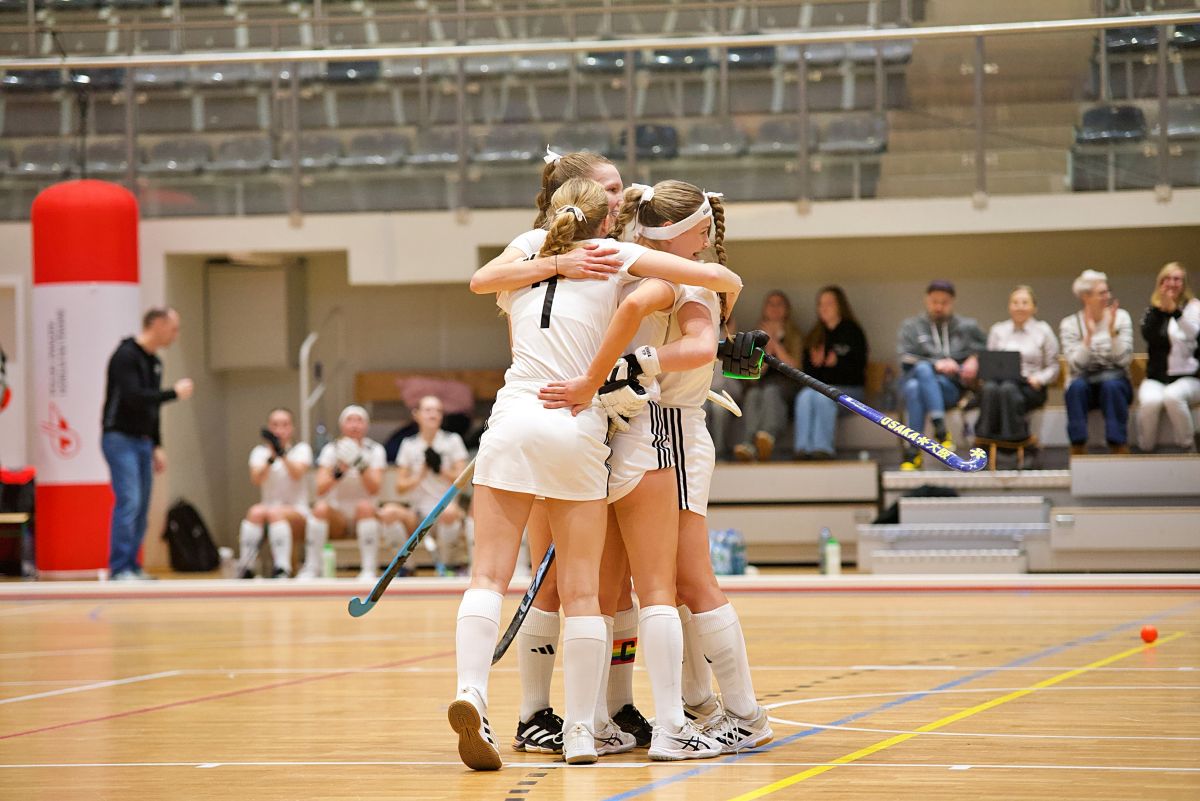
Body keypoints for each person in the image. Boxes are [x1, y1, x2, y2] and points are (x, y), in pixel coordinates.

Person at [457, 177, 742, 770]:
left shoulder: (528, 253)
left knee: (506, 578)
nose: (621, 197)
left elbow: (481, 284)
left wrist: (555, 266)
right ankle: (590, 727)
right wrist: (618, 368)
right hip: (594, 421)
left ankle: (493, 698)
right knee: (598, 591)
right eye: (611, 190)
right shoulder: (614, 255)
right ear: (604, 217)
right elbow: (710, 282)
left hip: (517, 415)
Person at [543, 179, 772, 756]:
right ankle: (653, 712)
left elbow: (697, 346)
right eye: (704, 228)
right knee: (633, 584)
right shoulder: (652, 268)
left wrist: (629, 363)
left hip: (669, 428)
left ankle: (739, 712)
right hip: (627, 425)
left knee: (685, 581)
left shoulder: (682, 277)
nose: (710, 236)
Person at [479, 149, 653, 755]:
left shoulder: (625, 244)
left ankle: (613, 706)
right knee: (554, 579)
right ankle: (534, 712)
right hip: (565, 419)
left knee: (618, 583)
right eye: (610, 188)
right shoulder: (533, 253)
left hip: (623, 423)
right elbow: (511, 325)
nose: (621, 196)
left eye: (621, 186)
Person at [101, 307, 193, 581]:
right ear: (158, 324)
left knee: (142, 507)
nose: (175, 335)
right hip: (120, 438)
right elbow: (134, 397)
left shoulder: (155, 362)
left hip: (142, 441)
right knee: (129, 501)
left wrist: (157, 444)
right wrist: (173, 393)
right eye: (173, 329)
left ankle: (132, 565)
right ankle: (119, 568)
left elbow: (152, 410)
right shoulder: (126, 355)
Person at [301, 405, 411, 580]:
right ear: (342, 425)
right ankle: (312, 567)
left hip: (367, 513)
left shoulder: (375, 450)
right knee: (320, 508)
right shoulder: (331, 450)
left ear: (366, 426)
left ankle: (368, 569)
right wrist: (340, 470)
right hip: (339, 518)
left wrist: (359, 464)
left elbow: (374, 488)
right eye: (350, 420)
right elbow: (320, 488)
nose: (354, 425)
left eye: (359, 420)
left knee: (364, 506)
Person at [895, 280, 986, 470]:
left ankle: (913, 453)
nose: (938, 307)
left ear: (952, 302)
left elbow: (988, 350)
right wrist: (937, 364)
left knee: (916, 386)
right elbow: (905, 357)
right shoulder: (912, 326)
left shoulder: (967, 326)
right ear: (926, 300)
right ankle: (940, 430)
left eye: (944, 302)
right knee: (918, 379)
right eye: (934, 301)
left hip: (950, 388)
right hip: (918, 382)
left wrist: (975, 359)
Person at [390, 395, 470, 575]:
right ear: (416, 415)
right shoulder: (409, 444)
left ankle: (448, 565)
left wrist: (441, 469)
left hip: (446, 510)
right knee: (389, 513)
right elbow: (400, 487)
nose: (433, 414)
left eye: (438, 411)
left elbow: (463, 481)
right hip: (417, 514)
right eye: (427, 410)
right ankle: (405, 567)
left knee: (450, 513)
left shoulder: (452, 440)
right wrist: (421, 474)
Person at [1060, 270, 1134, 455]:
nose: (1107, 296)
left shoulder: (1121, 317)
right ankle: (1077, 446)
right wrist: (1088, 337)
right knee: (1075, 388)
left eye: (1107, 291)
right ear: (1086, 297)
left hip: (1115, 381)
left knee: (1111, 386)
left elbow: (1124, 360)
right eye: (1101, 293)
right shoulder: (1070, 324)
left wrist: (1112, 333)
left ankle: (1118, 445)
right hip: (1084, 382)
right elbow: (1075, 365)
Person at [975, 285, 1060, 444]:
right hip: (1000, 383)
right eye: (1015, 303)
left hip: (1030, 386)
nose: (1020, 307)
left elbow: (1054, 366)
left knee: (1008, 389)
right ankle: (984, 439)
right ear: (1009, 306)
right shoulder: (998, 330)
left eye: (1025, 303)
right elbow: (990, 361)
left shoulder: (1043, 330)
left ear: (1034, 308)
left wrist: (1040, 379)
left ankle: (1014, 441)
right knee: (989, 389)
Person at [792, 286, 868, 460]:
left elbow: (859, 369)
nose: (824, 308)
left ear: (840, 306)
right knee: (804, 396)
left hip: (850, 390)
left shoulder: (853, 332)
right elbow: (807, 375)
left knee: (823, 396)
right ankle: (802, 449)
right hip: (819, 389)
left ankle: (822, 449)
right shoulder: (815, 335)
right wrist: (816, 365)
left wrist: (838, 363)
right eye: (821, 304)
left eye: (829, 303)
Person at [238, 408, 311, 579]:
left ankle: (282, 568)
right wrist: (271, 458)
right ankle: (247, 566)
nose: (280, 430)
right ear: (269, 428)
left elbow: (297, 474)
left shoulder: (301, 449)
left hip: (297, 509)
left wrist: (282, 454)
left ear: (292, 428)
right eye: (275, 425)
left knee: (275, 513)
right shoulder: (260, 452)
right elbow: (256, 479)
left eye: (285, 425)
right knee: (255, 512)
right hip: (269, 508)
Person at [1136, 262, 1200, 452]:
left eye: (1177, 279)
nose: (1172, 283)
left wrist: (1176, 312)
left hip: (1190, 378)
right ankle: (1146, 449)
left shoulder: (1194, 308)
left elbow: (1193, 334)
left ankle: (1187, 446)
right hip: (1157, 377)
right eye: (1167, 279)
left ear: (1184, 283)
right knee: (1150, 402)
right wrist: (1161, 311)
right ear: (1160, 283)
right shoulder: (1153, 311)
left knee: (1173, 396)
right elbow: (1149, 335)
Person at [733, 290, 803, 462]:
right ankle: (749, 444)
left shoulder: (795, 335)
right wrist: (766, 351)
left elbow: (795, 369)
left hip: (786, 385)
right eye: (771, 304)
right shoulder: (754, 337)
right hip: (760, 385)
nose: (774, 308)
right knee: (753, 394)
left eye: (779, 304)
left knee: (771, 392)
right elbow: (751, 375)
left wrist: (775, 344)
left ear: (787, 309)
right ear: (764, 309)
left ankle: (767, 438)